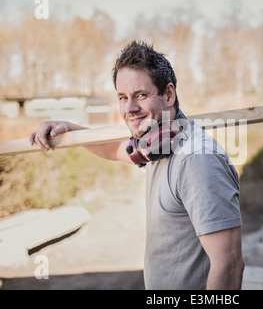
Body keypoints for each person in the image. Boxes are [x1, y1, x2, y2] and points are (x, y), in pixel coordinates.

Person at [29, 40, 245, 290]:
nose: (130, 108)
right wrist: (66, 127)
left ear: (168, 94)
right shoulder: (156, 146)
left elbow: (229, 265)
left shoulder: (197, 160)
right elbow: (112, 148)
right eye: (123, 97)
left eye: (141, 95)